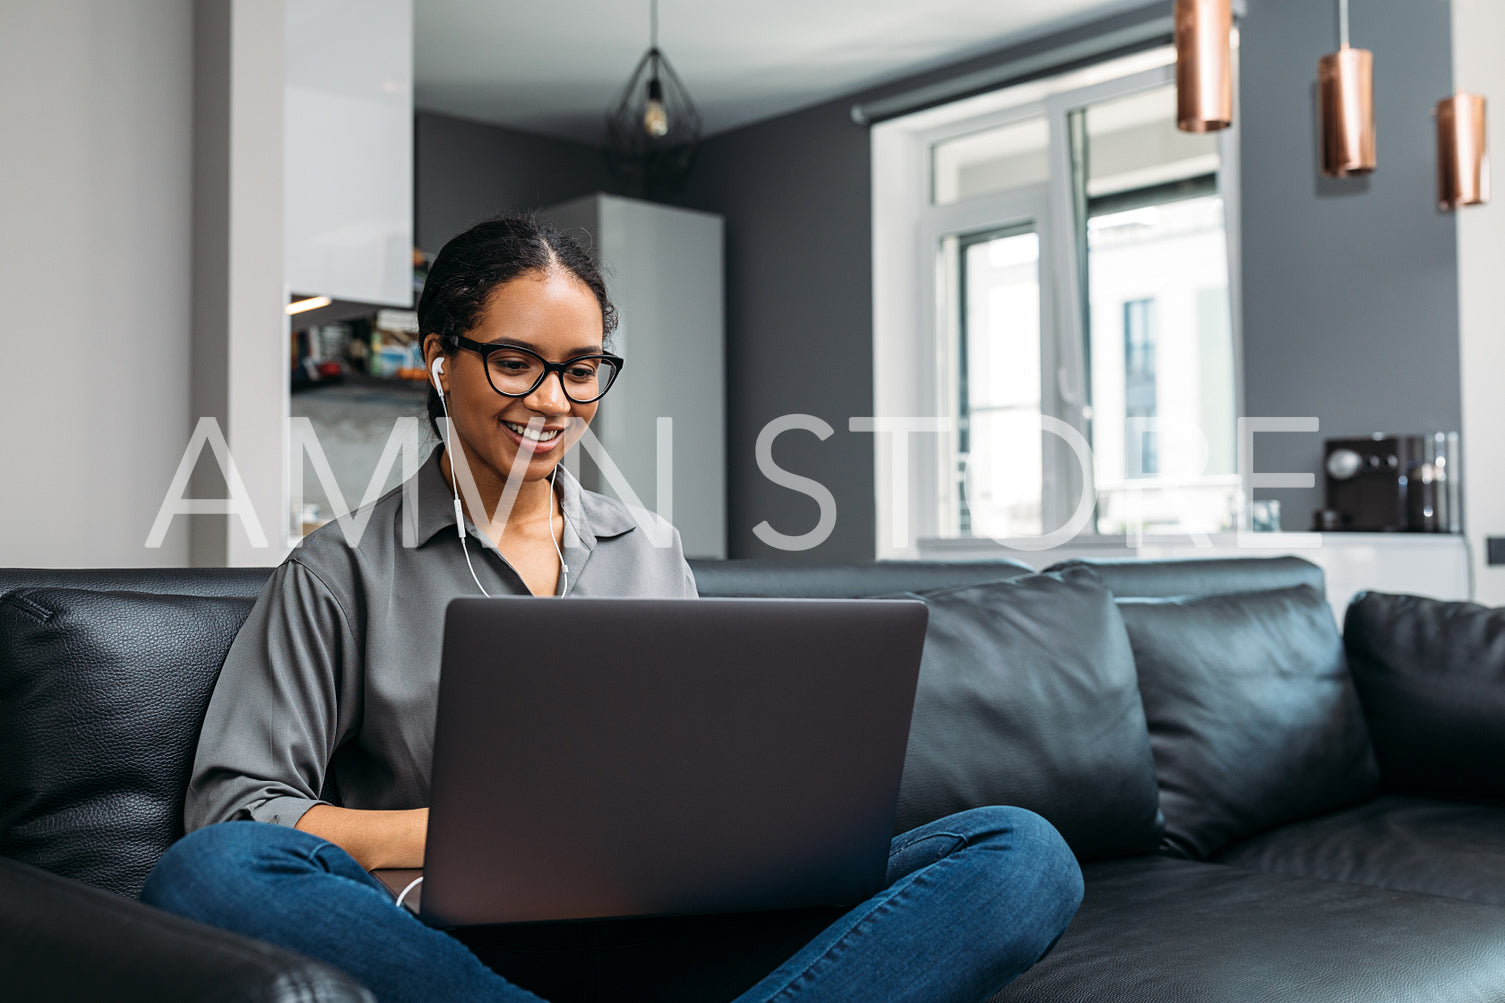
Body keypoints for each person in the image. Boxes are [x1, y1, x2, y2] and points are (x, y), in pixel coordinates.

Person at [140, 213, 1083, 1003]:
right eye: (515, 362)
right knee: (207, 876)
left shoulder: (651, 548)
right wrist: (469, 831)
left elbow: (703, 771)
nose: (552, 400)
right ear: (439, 360)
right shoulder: (339, 567)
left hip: (677, 925)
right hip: (457, 954)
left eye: (581, 368)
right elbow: (237, 809)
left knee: (1023, 852)